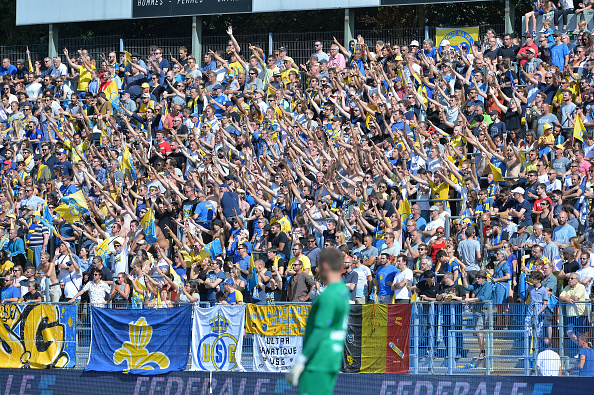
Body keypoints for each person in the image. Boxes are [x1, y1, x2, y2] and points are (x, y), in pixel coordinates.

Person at [286, 248, 350, 395]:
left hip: (317, 361)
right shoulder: (342, 291)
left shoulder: (328, 296)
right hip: (331, 360)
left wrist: (301, 360)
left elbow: (320, 330)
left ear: (325, 266)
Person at [462, 270, 492, 360]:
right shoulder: (476, 284)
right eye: (476, 277)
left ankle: (483, 352)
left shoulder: (488, 286)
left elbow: (484, 298)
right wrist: (464, 278)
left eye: (478, 278)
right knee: (478, 332)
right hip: (476, 310)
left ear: (483, 279)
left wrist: (470, 300)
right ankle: (482, 351)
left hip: (483, 310)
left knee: (479, 331)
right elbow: (467, 287)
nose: (477, 279)